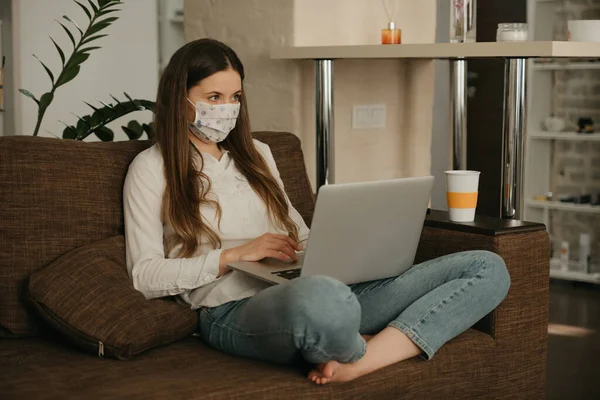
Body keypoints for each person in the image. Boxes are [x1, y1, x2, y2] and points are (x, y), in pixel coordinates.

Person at [123, 38, 510, 385]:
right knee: (321, 298)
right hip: (232, 308)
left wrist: (351, 250)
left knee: (487, 267)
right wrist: (232, 257)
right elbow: (143, 276)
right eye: (213, 98)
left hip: (312, 285)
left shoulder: (258, 155)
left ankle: (362, 359)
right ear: (181, 99)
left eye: (235, 97)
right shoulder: (151, 168)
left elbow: (301, 234)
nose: (227, 109)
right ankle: (353, 338)